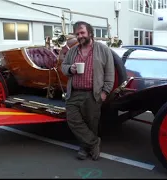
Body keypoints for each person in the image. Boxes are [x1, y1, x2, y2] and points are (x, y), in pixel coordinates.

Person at [61, 21, 115, 161]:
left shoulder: (103, 50)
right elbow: (64, 66)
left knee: (91, 123)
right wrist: (69, 69)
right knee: (73, 120)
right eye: (77, 34)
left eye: (82, 33)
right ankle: (94, 142)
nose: (80, 36)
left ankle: (84, 147)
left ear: (90, 33)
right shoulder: (73, 50)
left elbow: (110, 73)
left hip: (93, 93)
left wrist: (105, 92)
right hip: (74, 93)